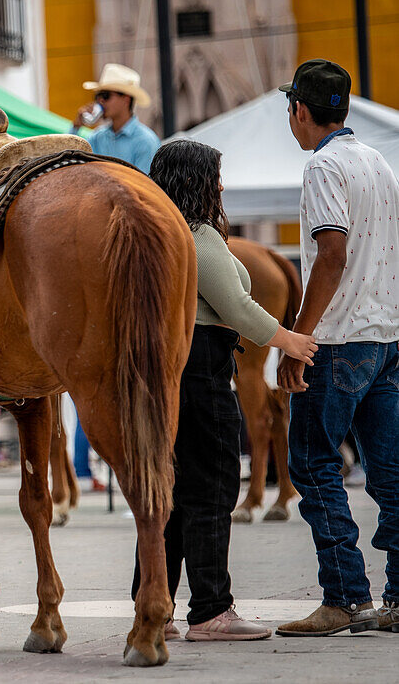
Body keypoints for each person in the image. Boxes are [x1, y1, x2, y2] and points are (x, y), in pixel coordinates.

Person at [132, 139, 318, 641]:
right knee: (212, 488)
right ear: (194, 181)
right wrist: (291, 341)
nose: (220, 185)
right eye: (213, 175)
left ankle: (154, 606)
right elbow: (236, 308)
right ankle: (211, 610)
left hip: (164, 375)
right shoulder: (196, 236)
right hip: (202, 371)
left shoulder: (152, 234)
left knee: (165, 493)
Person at [274, 59, 399, 637]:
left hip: (340, 339)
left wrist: (300, 338)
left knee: (315, 464)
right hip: (387, 337)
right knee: (391, 472)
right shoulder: (377, 161)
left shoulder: (323, 167)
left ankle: (345, 597)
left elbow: (332, 254)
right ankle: (396, 597)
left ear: (301, 109)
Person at [72, 63, 161, 174]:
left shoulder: (146, 141)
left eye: (105, 95)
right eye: (97, 96)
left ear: (126, 99)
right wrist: (76, 126)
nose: (100, 101)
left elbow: (144, 187)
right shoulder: (98, 137)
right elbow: (71, 161)